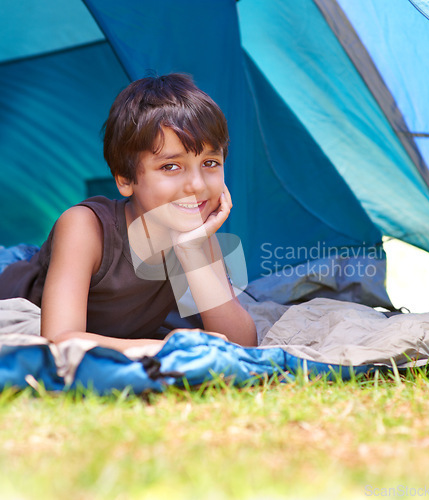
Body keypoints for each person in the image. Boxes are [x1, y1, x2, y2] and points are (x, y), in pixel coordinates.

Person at [0, 74, 257, 350]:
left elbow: (242, 344)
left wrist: (193, 253)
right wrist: (167, 348)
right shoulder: (85, 227)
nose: (197, 184)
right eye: (171, 166)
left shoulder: (196, 235)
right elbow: (60, 339)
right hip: (18, 278)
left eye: (210, 162)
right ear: (124, 178)